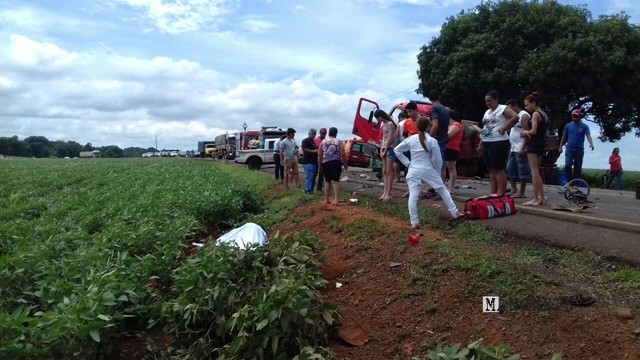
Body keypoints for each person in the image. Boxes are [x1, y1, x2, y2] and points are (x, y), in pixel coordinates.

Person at [395, 117, 464, 228]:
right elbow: (437, 160)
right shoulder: (432, 141)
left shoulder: (411, 139)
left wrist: (408, 163)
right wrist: (436, 173)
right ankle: (454, 212)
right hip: (426, 168)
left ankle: (414, 222)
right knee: (442, 189)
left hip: (413, 169)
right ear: (428, 127)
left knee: (413, 195)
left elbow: (397, 150)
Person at [479, 90, 519, 195]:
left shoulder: (503, 108)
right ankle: (493, 193)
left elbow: (515, 117)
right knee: (491, 170)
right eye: (486, 101)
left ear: (496, 99)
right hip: (487, 141)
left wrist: (504, 128)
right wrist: (481, 143)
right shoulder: (487, 112)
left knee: (498, 169)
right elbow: (485, 127)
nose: (488, 103)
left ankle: (501, 194)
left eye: (490, 101)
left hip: (498, 141)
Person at [520, 92, 549, 206]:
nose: (526, 108)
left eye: (527, 105)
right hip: (541, 144)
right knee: (536, 171)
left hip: (533, 144)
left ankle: (535, 198)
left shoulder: (536, 114)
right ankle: (541, 197)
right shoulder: (544, 114)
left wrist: (525, 132)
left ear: (533, 103)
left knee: (534, 172)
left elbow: (533, 131)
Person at [558, 109, 594, 184]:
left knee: (577, 167)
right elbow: (564, 137)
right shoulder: (568, 126)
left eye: (577, 116)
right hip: (569, 148)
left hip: (579, 149)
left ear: (580, 117)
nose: (575, 118)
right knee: (568, 165)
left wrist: (591, 143)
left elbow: (588, 135)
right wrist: (560, 146)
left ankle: (575, 183)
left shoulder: (584, 126)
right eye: (574, 116)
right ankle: (569, 181)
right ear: (572, 116)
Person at [505, 98, 532, 198]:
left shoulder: (523, 116)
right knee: (510, 169)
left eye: (510, 108)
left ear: (515, 106)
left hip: (520, 147)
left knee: (522, 170)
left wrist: (523, 148)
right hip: (513, 148)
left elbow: (527, 132)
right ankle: (513, 189)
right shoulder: (513, 117)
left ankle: (521, 192)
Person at [318, 127, 348, 205]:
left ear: (329, 133)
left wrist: (320, 165)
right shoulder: (339, 142)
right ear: (336, 133)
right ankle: (336, 200)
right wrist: (345, 164)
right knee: (335, 181)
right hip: (336, 162)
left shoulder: (323, 142)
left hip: (326, 162)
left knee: (327, 181)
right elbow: (343, 154)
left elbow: (319, 155)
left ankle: (326, 200)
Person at [374, 109, 397, 201]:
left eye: (377, 118)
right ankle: (385, 192)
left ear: (381, 116)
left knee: (389, 170)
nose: (377, 120)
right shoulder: (383, 125)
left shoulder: (390, 124)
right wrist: (381, 149)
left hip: (390, 147)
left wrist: (385, 148)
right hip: (384, 147)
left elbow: (391, 137)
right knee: (384, 171)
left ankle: (388, 193)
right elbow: (384, 137)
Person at [428, 90, 450, 181]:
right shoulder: (444, 109)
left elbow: (435, 124)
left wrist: (429, 138)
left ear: (429, 99)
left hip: (437, 141)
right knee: (441, 166)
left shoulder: (434, 108)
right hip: (443, 140)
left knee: (436, 166)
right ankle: (438, 189)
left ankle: (439, 191)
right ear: (439, 97)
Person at [445, 110, 464, 193]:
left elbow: (448, 135)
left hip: (451, 148)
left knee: (451, 168)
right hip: (450, 148)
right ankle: (450, 187)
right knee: (450, 168)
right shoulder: (452, 125)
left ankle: (450, 188)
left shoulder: (456, 125)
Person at [301, 128, 319, 194]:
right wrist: (313, 151)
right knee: (309, 176)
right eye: (312, 134)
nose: (313, 135)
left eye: (314, 134)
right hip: (308, 161)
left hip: (314, 162)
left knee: (312, 177)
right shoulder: (305, 141)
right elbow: (304, 149)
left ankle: (310, 190)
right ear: (309, 134)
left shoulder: (313, 141)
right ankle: (307, 191)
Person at [314, 128, 327, 192]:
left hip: (323, 160)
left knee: (321, 175)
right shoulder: (315, 139)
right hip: (315, 159)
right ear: (320, 133)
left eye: (324, 133)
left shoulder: (326, 141)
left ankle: (319, 189)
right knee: (314, 174)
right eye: (322, 133)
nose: (323, 135)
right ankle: (312, 187)